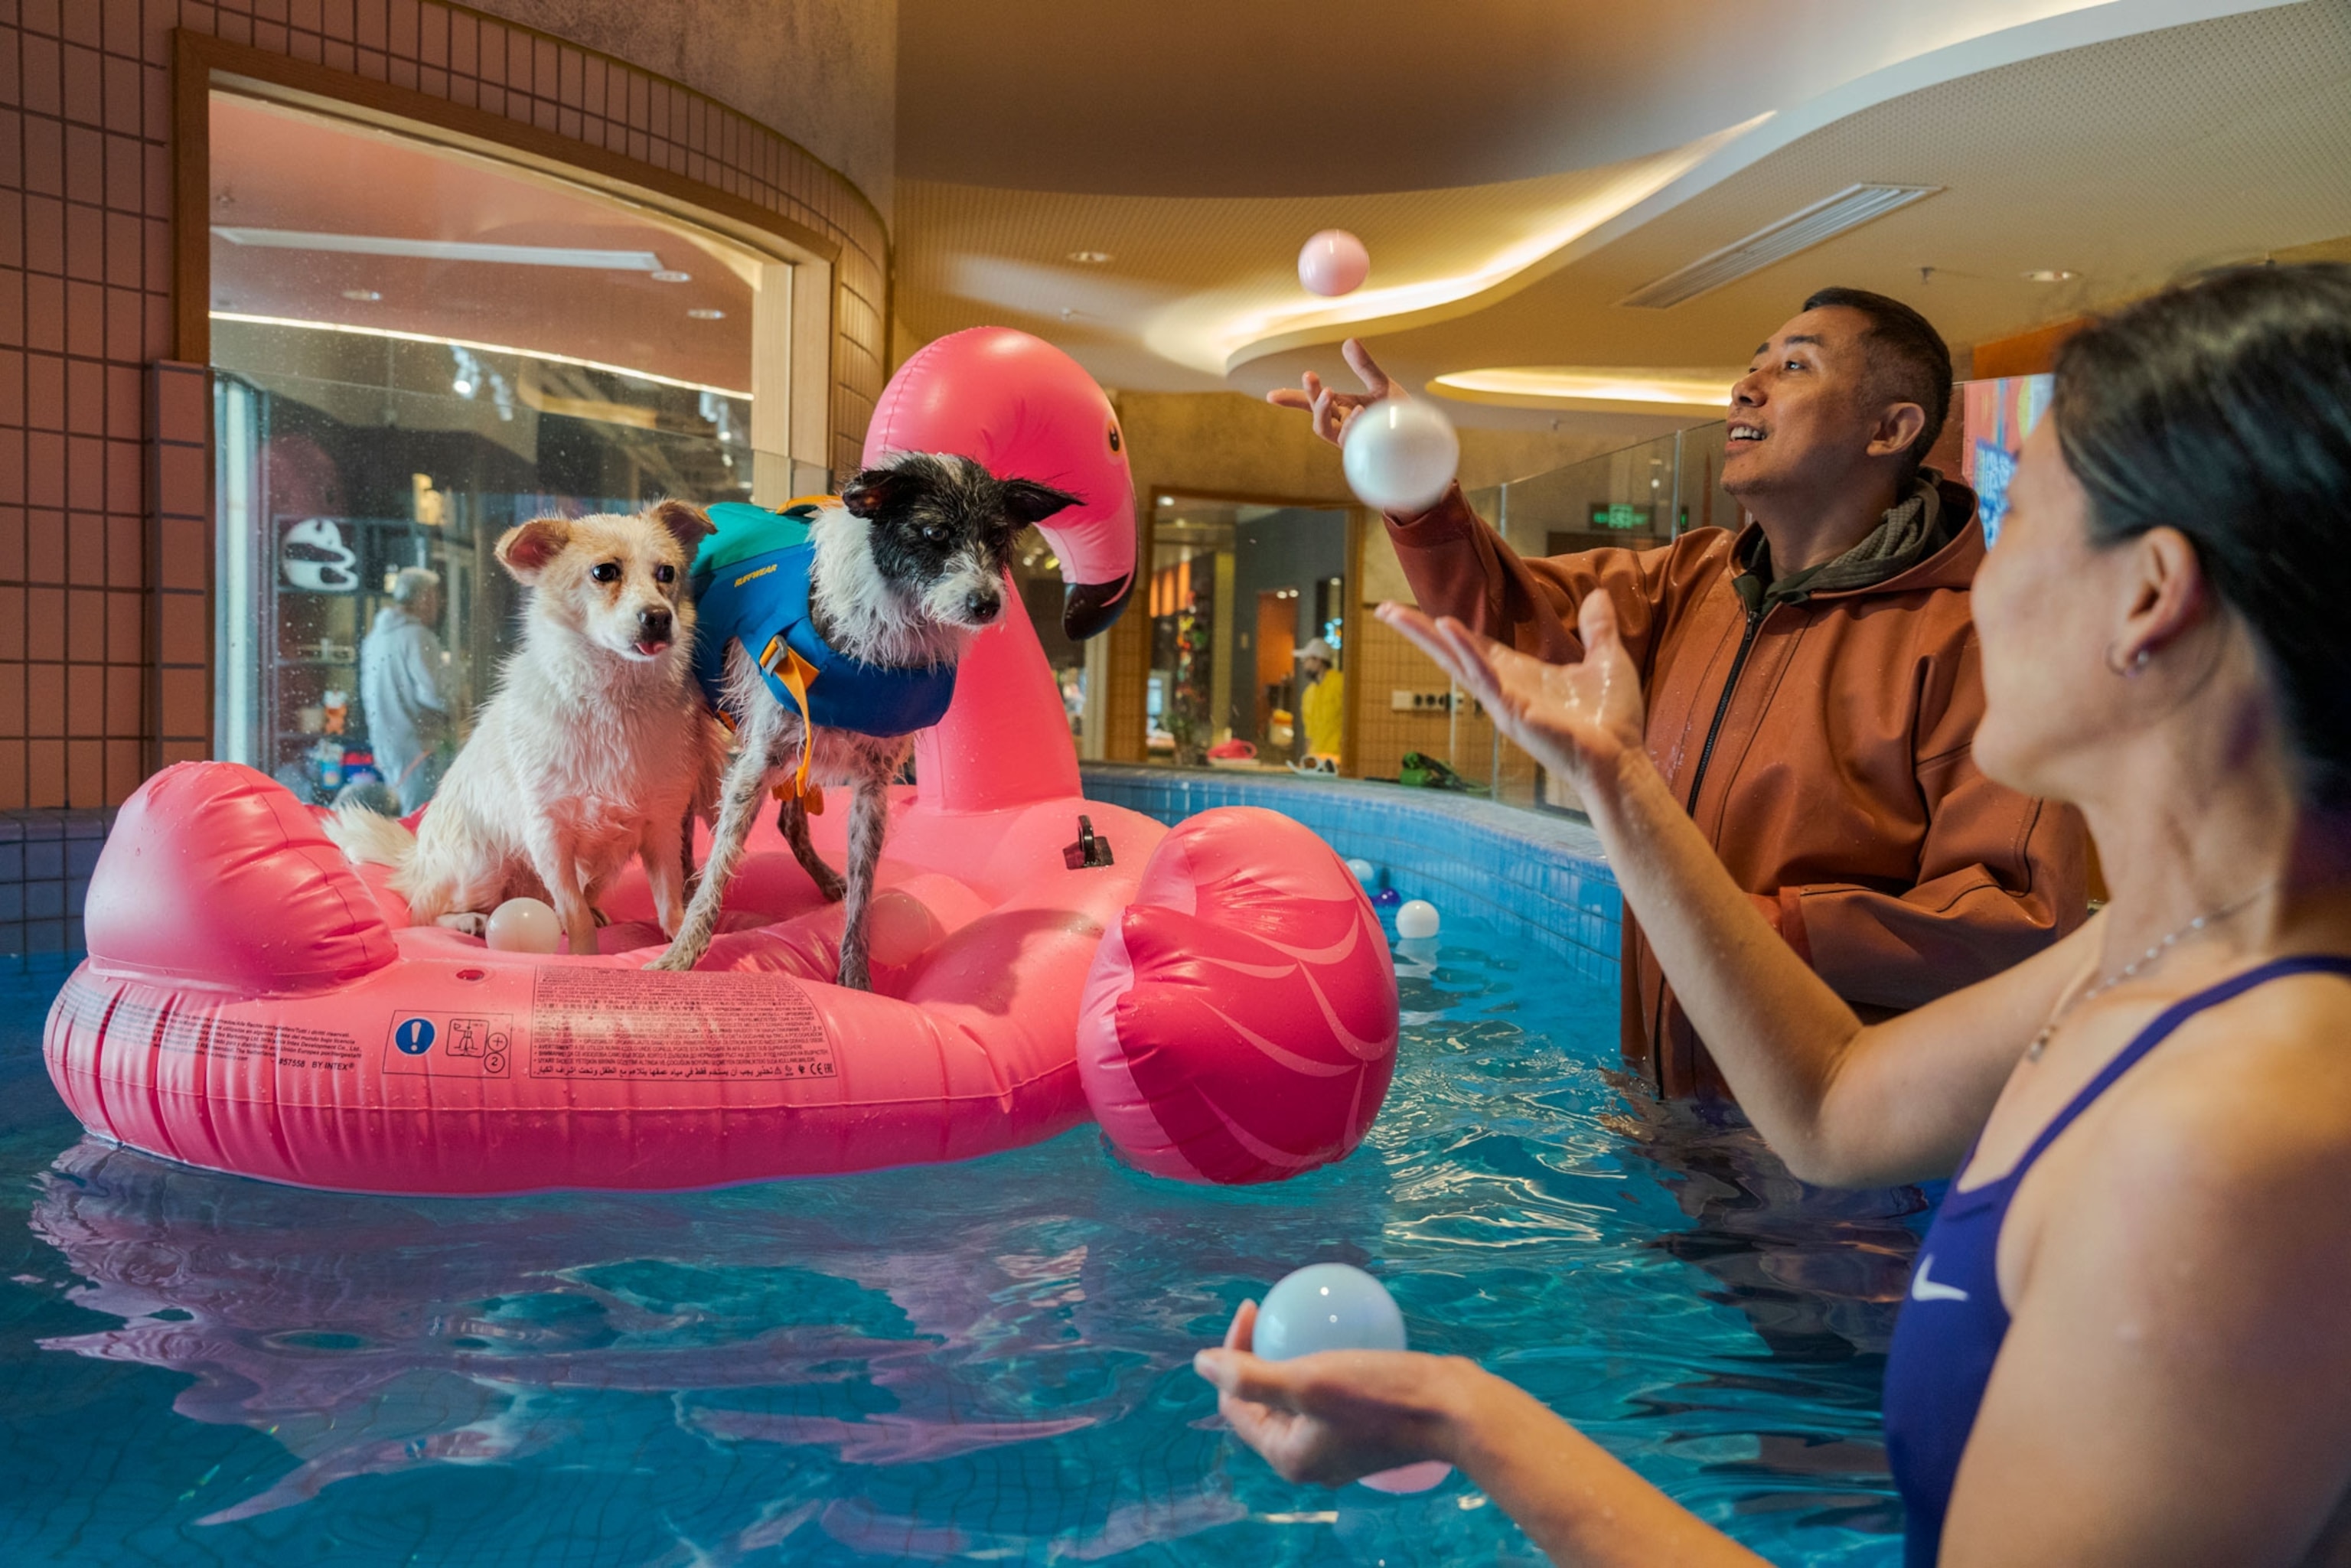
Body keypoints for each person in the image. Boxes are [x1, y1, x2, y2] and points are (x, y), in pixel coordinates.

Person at [1201, 263, 2351, 1565]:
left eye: (2019, 514)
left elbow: (1975, 938)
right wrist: (1618, 783)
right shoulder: (2151, 950)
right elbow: (1829, 1104)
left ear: (2146, 595)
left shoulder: (2241, 1140)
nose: (1977, 577)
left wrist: (1469, 1417)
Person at [1272, 292, 2086, 1100]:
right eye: (1752, 365)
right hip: (1672, 1108)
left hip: (1854, 1155)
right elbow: (1515, 621)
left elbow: (2016, 920)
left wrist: (1737, 932)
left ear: (1890, 430)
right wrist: (1413, 482)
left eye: (1795, 365)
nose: (1747, 385)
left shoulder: (1977, 640)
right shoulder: (1696, 581)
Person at [360, 566, 453, 813]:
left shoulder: (375, 638)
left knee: (400, 816)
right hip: (418, 748)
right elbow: (434, 694)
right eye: (434, 597)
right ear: (422, 598)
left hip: (386, 746)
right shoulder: (418, 637)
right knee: (422, 820)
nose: (438, 605)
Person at [1295, 637, 1345, 760]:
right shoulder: (1308, 693)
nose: (1304, 665)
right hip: (1316, 757)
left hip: (1337, 756)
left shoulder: (1340, 683)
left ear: (1318, 660)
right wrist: (1308, 760)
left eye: (1306, 660)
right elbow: (1309, 734)